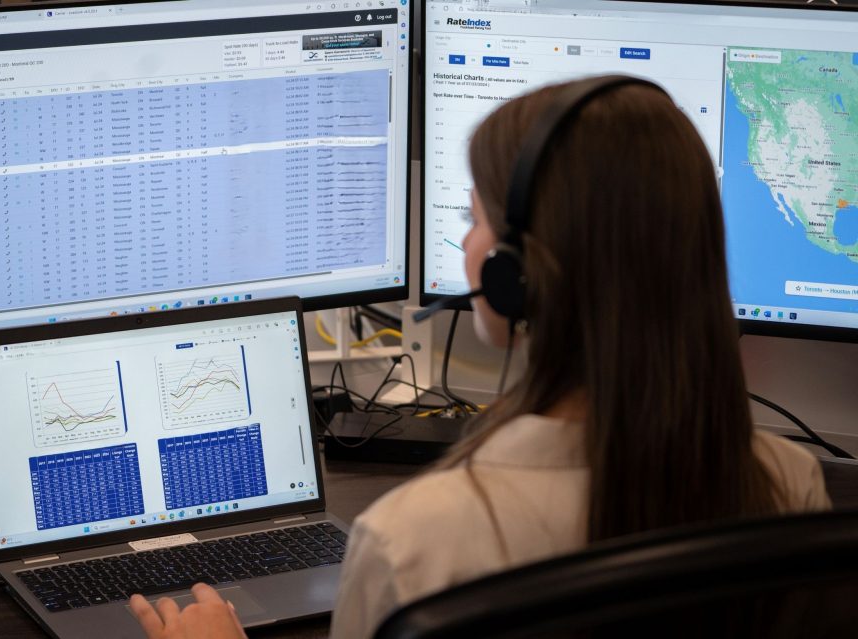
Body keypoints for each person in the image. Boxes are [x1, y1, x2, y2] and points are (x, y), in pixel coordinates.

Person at [132, 77, 831, 639]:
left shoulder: (412, 540)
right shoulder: (787, 482)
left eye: (474, 219)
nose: (466, 244)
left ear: (514, 273)